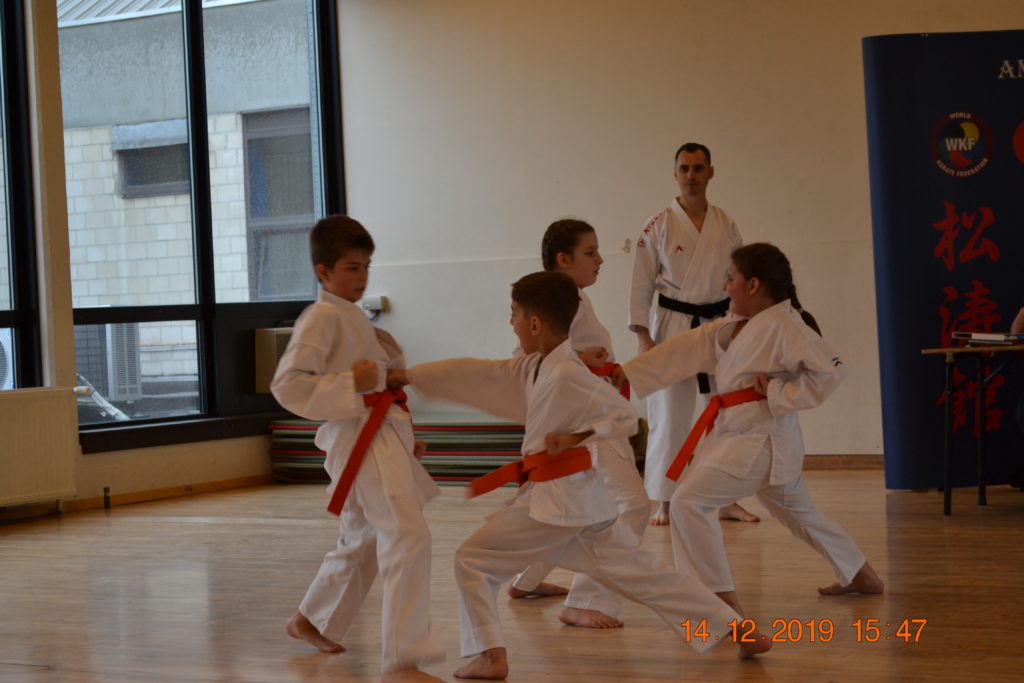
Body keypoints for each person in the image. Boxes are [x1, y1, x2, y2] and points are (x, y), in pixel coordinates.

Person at [390, 271, 770, 681]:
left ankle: (490, 655)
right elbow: (477, 373)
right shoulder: (538, 366)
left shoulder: (567, 373)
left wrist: (578, 435)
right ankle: (740, 631)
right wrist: (412, 376)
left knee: (472, 559)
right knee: (646, 574)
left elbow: (624, 416)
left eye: (514, 314)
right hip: (580, 503)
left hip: (555, 501)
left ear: (535, 323)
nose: (511, 322)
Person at [622, 243, 884, 618]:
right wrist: (627, 375)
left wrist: (778, 392)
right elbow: (686, 348)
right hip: (750, 436)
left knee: (688, 503)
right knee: (800, 513)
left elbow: (832, 371)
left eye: (730, 278)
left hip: (759, 441)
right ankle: (861, 575)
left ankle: (721, 600)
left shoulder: (785, 326)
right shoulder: (737, 326)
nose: (724, 286)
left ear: (753, 285)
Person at [270, 215, 445, 683]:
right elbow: (287, 385)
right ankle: (402, 662)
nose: (362, 276)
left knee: (365, 536)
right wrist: (351, 382)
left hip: (380, 434)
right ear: (323, 271)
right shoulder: (321, 317)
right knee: (407, 535)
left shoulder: (351, 315)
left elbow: (381, 388)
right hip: (361, 440)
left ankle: (311, 619)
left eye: (366, 266)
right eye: (351, 268)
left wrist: (405, 437)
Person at [506, 219, 650, 630]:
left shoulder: (573, 299)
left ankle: (525, 579)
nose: (600, 259)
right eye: (590, 252)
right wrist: (578, 363)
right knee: (631, 504)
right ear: (564, 259)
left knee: (571, 507)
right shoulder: (554, 301)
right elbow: (521, 361)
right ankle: (585, 600)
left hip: (585, 415)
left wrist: (599, 367)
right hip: (583, 421)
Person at [629, 142, 758, 526]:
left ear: (710, 173)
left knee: (727, 411)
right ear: (675, 173)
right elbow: (641, 283)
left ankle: (726, 498)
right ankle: (666, 500)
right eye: (684, 169)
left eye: (698, 168)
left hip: (720, 325)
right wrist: (643, 336)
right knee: (671, 415)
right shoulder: (658, 224)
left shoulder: (726, 223)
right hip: (673, 326)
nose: (691, 176)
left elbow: (738, 278)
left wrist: (745, 326)